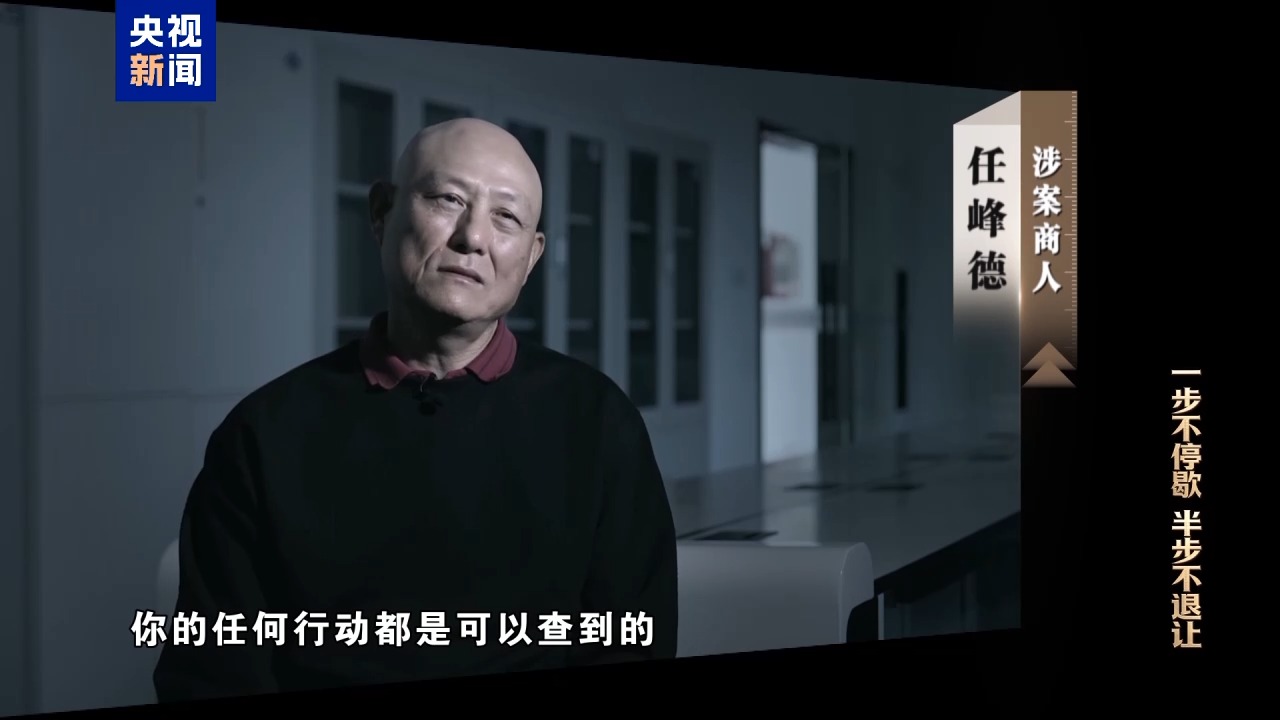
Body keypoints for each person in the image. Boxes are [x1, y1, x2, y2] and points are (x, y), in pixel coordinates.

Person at [153, 119, 678, 701]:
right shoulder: (263, 432)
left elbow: (633, 640)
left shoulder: (598, 422)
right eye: (448, 199)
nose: (472, 237)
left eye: (506, 217)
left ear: (531, 257)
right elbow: (212, 666)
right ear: (382, 212)